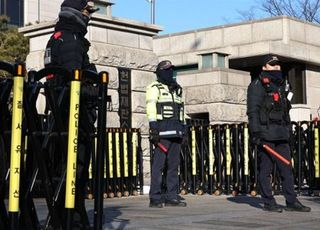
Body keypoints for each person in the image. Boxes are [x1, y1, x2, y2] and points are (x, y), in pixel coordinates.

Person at [44, 0, 99, 228]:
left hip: (59, 115)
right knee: (75, 169)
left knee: (63, 170)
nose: (90, 16)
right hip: (73, 116)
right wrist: (94, 88)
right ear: (77, 12)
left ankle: (65, 216)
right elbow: (73, 80)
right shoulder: (72, 40)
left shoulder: (58, 36)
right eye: (87, 11)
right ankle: (72, 218)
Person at [247, 55, 311, 213]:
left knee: (287, 168)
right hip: (266, 134)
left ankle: (291, 201)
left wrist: (289, 130)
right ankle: (269, 202)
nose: (276, 67)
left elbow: (285, 111)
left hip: (281, 133)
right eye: (272, 65)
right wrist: (255, 132)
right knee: (266, 170)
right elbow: (253, 111)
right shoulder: (257, 85)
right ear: (264, 68)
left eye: (277, 65)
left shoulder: (282, 85)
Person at [146, 60, 187, 208]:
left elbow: (182, 110)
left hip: (176, 133)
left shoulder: (177, 89)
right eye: (167, 70)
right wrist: (153, 129)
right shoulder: (154, 87)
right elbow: (150, 107)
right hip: (162, 134)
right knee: (158, 167)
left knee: (173, 167)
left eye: (172, 69)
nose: (170, 72)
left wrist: (185, 130)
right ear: (160, 71)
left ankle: (171, 196)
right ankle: (155, 197)